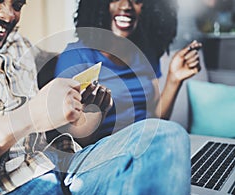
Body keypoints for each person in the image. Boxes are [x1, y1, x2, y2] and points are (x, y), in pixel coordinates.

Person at [0, 0, 191, 195]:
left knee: (167, 136)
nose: (8, 15)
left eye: (17, 5)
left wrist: (86, 115)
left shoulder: (18, 45)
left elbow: (66, 123)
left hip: (67, 164)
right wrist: (28, 117)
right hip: (9, 187)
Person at [54, 0, 202, 145]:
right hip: (103, 152)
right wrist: (96, 114)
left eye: (136, 0)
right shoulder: (76, 57)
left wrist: (174, 79)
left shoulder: (145, 54)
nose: (126, 6)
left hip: (145, 143)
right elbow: (72, 138)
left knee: (177, 135)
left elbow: (156, 118)